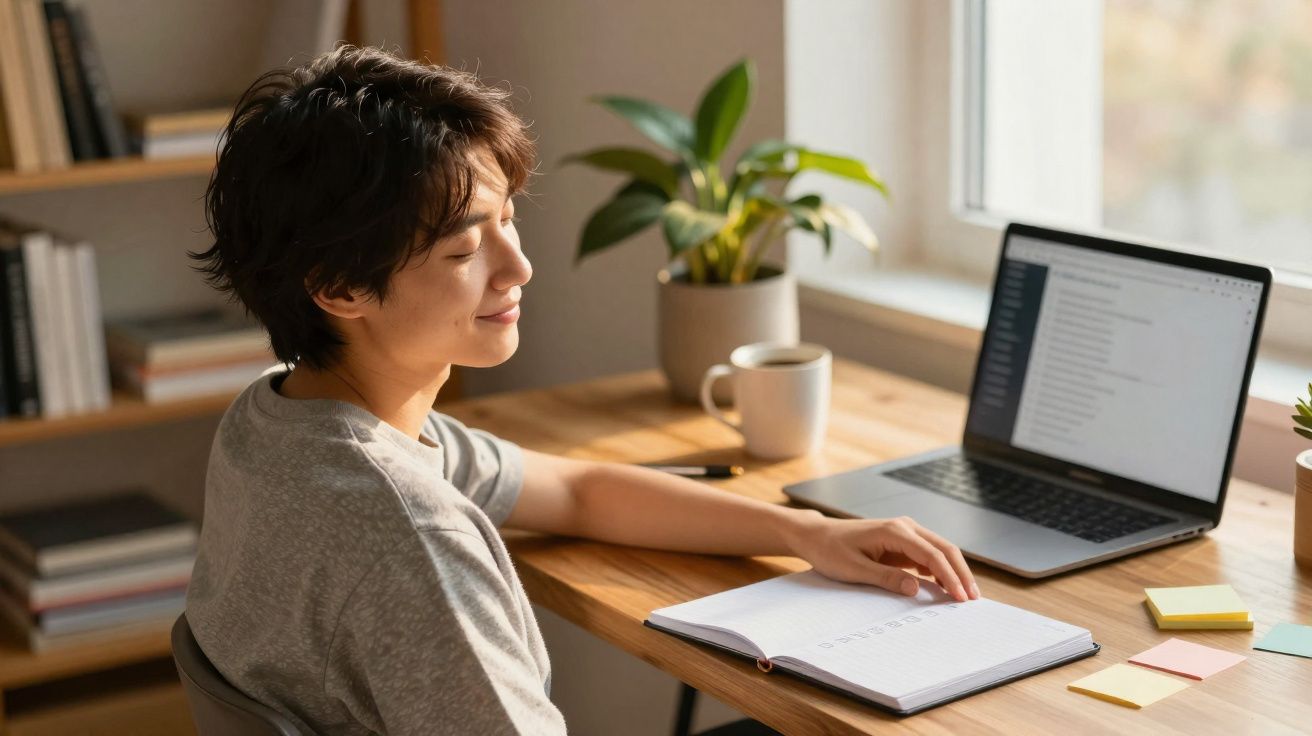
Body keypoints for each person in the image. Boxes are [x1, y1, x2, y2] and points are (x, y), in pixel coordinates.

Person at [185, 45, 979, 735]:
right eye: (464, 250)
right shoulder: (407, 535)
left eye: (508, 220)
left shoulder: (276, 421)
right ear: (339, 288)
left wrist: (806, 532)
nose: (518, 267)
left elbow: (577, 492)